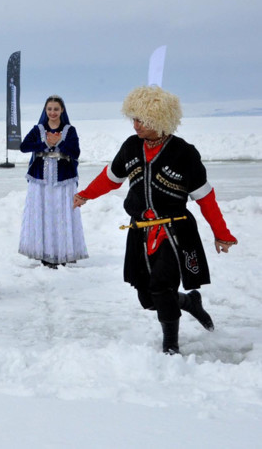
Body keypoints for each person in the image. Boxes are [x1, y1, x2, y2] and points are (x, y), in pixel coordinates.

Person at [73, 86, 238, 354]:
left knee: (162, 286)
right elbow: (111, 178)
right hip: (139, 232)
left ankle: (170, 344)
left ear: (160, 120)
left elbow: (206, 198)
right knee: (148, 297)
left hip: (174, 233)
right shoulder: (130, 146)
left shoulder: (185, 153)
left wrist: (221, 233)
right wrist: (85, 195)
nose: (136, 125)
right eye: (134, 118)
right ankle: (189, 303)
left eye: (142, 120)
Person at [18, 95, 88, 268]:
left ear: (62, 110)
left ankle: (62, 252)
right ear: (45, 110)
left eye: (56, 109)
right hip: (40, 178)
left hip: (63, 178)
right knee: (43, 211)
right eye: (49, 109)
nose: (53, 112)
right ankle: (44, 252)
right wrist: (43, 143)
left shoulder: (69, 130)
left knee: (61, 212)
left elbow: (75, 152)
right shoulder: (38, 129)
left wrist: (60, 142)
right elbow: (24, 147)